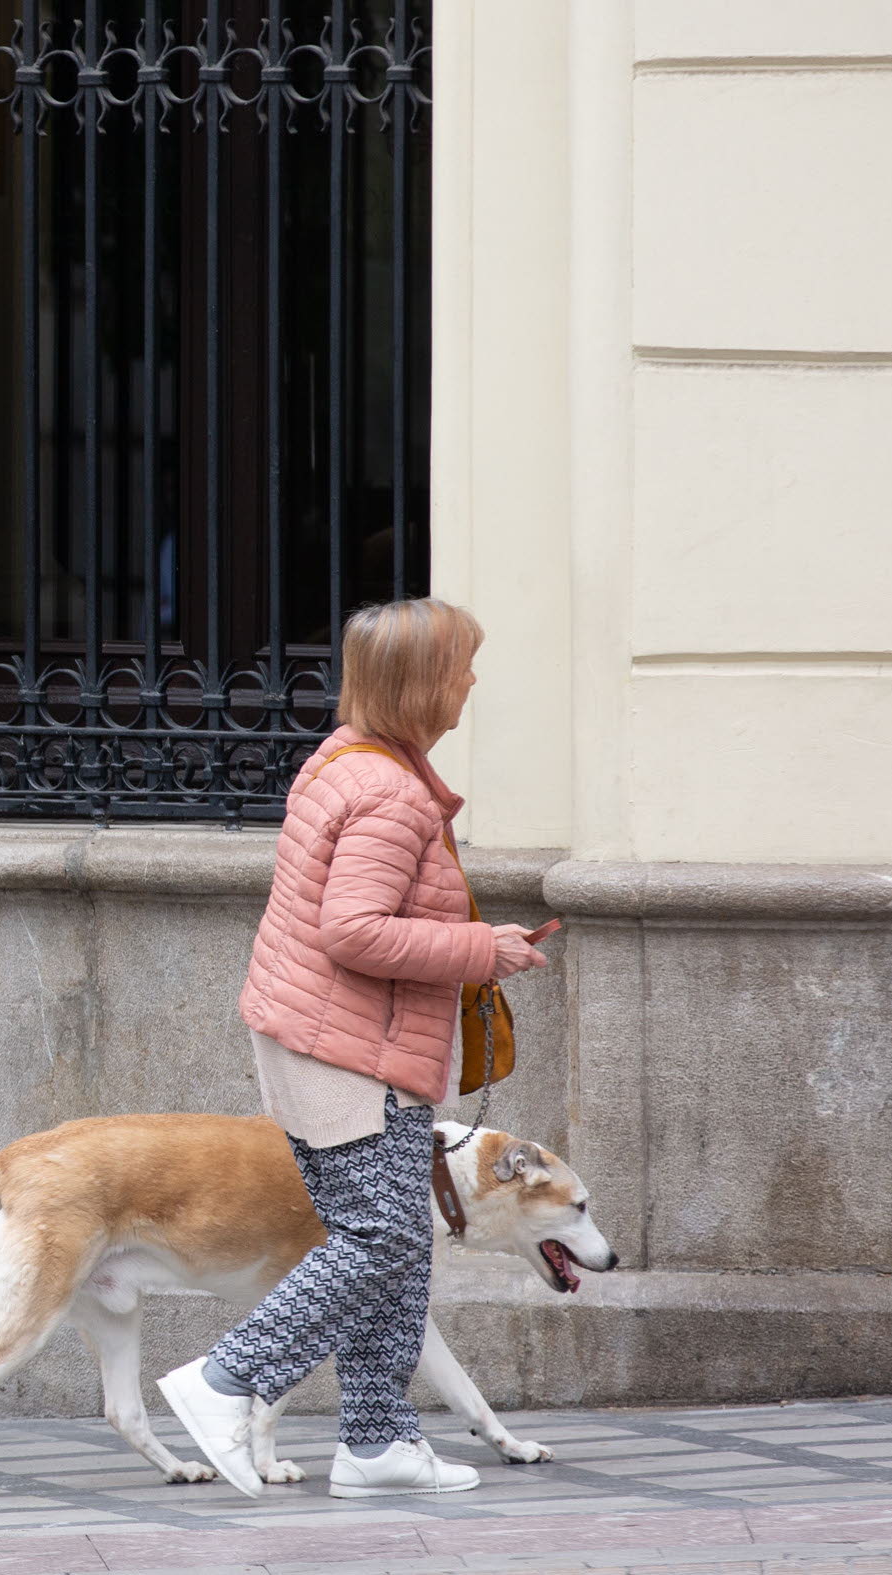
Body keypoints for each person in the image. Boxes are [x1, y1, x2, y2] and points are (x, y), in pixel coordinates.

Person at [157, 598, 551, 1499]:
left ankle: (377, 1443)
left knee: (397, 1243)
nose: (472, 683)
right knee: (380, 1238)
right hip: (348, 1051)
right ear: (421, 685)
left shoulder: (351, 763)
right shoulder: (387, 792)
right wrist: (479, 950)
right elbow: (355, 930)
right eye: (461, 667)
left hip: (332, 1038)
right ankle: (225, 1380)